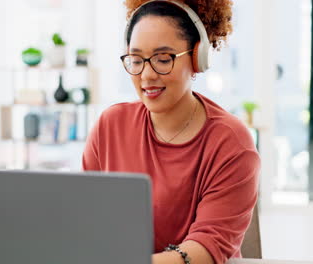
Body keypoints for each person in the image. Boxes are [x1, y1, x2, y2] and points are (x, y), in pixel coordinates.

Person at [82, 0, 260, 263]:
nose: (147, 75)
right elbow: (86, 220)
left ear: (198, 57)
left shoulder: (232, 143)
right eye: (136, 60)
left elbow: (205, 250)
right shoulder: (110, 126)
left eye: (163, 59)